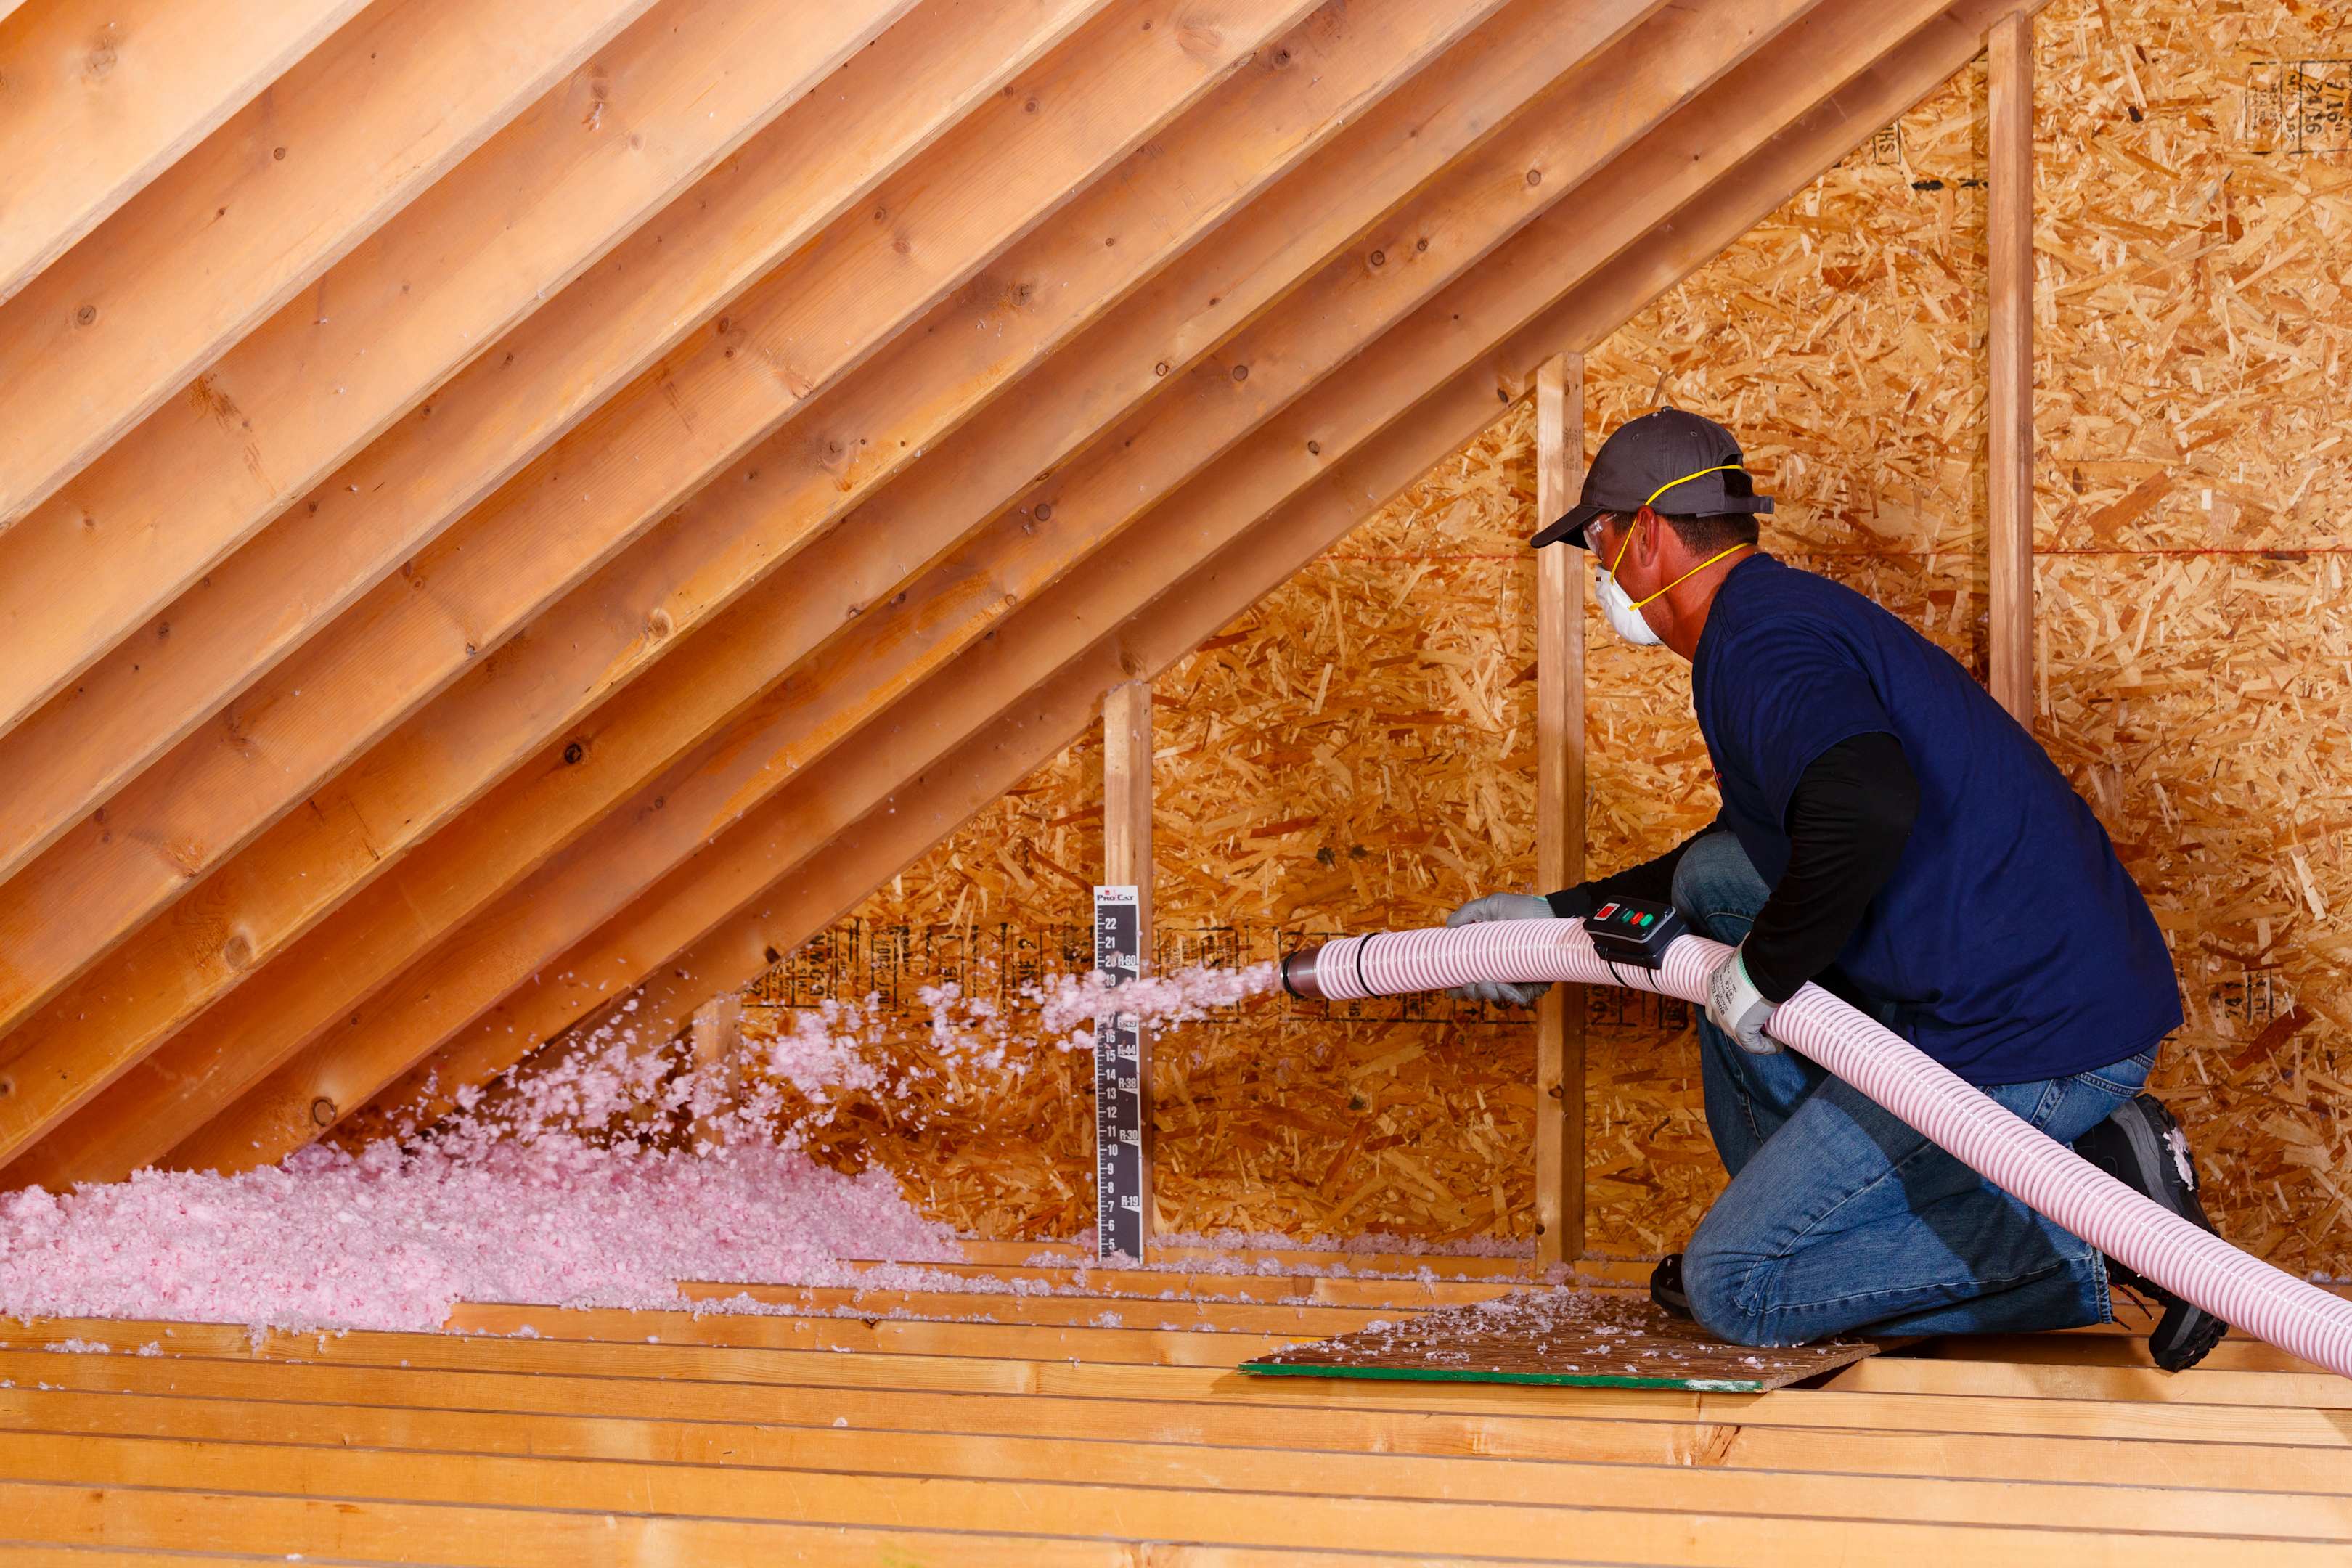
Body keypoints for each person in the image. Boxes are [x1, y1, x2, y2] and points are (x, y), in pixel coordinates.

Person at [1450, 407, 2226, 1369]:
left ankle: (2110, 1236)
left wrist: (1768, 970)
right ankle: (1834, 1245)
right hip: (2022, 993)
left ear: (1646, 534)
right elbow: (1741, 851)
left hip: (2034, 1040)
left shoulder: (1761, 645)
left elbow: (1865, 804)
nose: (1601, 572)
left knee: (1736, 1289)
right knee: (1714, 883)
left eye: (1598, 544)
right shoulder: (1769, 621)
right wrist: (1552, 918)